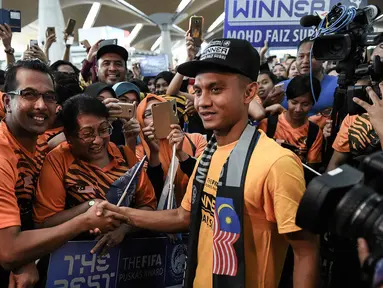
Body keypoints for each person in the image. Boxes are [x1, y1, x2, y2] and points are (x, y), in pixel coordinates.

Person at [95, 38, 319, 288]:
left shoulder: (278, 163)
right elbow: (183, 216)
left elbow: (305, 250)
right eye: (198, 91)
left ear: (249, 92)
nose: (202, 102)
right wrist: (122, 213)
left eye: (216, 89)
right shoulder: (210, 153)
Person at [0, 60, 125, 286]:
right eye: (29, 94)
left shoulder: (40, 146)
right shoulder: (2, 155)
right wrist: (84, 220)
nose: (41, 105)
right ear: (7, 101)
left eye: (48, 96)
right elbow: (8, 250)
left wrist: (25, 257)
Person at [34, 95, 156, 249]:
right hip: (74, 257)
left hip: (125, 258)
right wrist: (89, 206)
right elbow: (45, 223)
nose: (98, 140)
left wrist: (124, 229)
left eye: (104, 130)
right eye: (87, 134)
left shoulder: (125, 155)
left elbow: (148, 205)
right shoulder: (58, 160)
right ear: (69, 137)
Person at [135, 93, 207, 203]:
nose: (155, 118)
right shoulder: (139, 152)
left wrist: (180, 153)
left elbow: (207, 181)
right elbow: (150, 194)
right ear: (141, 122)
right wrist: (154, 154)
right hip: (163, 217)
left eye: (160, 112)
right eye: (148, 114)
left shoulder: (197, 140)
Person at [259, 75, 323, 167]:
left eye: (305, 104)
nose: (298, 109)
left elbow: (311, 167)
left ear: (313, 103)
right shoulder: (267, 125)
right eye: (294, 102)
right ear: (287, 99)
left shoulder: (315, 132)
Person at [281, 37, 338, 116]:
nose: (305, 61)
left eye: (311, 56)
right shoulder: (281, 88)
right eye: (301, 56)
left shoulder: (337, 85)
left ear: (323, 58)